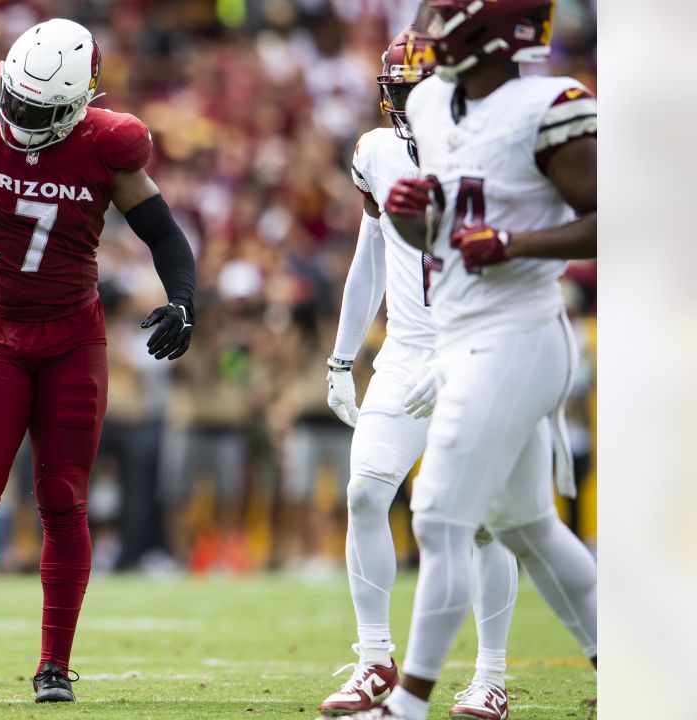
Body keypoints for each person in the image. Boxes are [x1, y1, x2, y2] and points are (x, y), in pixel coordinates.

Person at [0, 18, 197, 705]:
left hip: (69, 339)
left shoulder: (108, 144)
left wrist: (182, 300)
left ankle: (54, 666)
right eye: (15, 102)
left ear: (80, 105)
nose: (20, 118)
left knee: (62, 499)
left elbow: (164, 234)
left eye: (38, 110)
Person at [337, 2, 598, 718]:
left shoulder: (551, 104)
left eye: (446, 17)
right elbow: (426, 239)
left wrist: (514, 244)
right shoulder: (431, 109)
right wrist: (420, 217)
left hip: (512, 331)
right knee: (531, 528)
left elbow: (619, 213)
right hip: (448, 334)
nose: (427, 35)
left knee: (444, 519)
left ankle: (418, 698)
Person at [318, 30, 519, 717]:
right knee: (366, 492)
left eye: (419, 89)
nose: (407, 104)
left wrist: (472, 353)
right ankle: (376, 661)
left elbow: (518, 264)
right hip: (404, 352)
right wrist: (343, 358)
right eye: (399, 90)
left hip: (478, 348)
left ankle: (490, 675)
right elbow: (370, 256)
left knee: (488, 520)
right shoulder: (375, 152)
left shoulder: (492, 148)